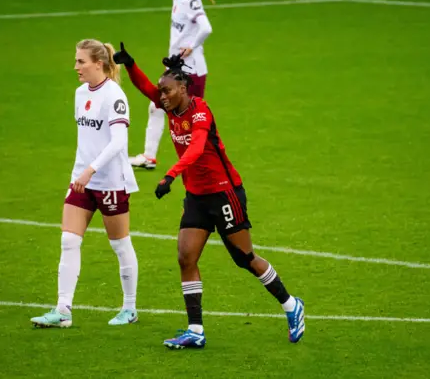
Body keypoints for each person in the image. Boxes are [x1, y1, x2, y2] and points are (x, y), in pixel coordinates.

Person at [114, 43, 305, 349]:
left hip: (225, 194)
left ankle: (291, 305)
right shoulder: (169, 105)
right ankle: (195, 330)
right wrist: (130, 64)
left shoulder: (200, 112)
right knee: (185, 256)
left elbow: (197, 147)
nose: (161, 97)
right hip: (197, 197)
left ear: (184, 87)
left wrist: (170, 174)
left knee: (245, 259)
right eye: (161, 92)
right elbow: (145, 87)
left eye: (167, 91)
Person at [31, 39, 140, 328]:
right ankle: (63, 310)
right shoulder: (80, 93)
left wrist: (91, 170)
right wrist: (83, 172)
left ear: (99, 64)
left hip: (110, 181)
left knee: (120, 244)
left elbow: (119, 142)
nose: (75, 66)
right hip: (81, 180)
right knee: (68, 241)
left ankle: (129, 308)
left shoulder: (114, 96)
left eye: (81, 61)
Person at [129, 0, 214, 170]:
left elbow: (206, 27)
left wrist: (192, 46)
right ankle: (149, 157)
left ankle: (201, 159)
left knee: (192, 118)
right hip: (176, 68)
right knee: (157, 107)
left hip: (191, 70)